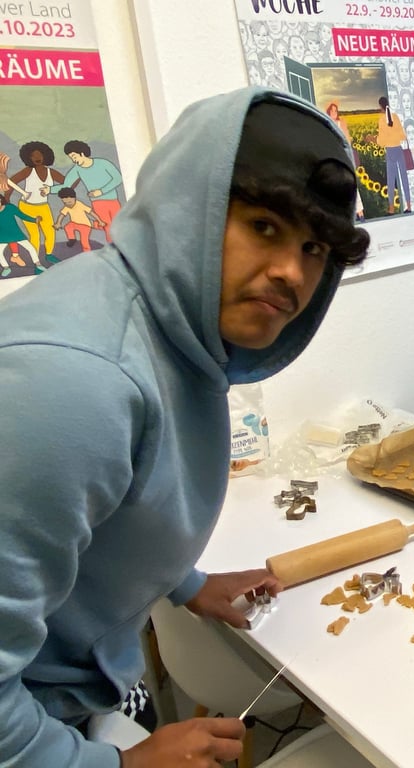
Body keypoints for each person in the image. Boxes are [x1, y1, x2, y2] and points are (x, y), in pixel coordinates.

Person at [0, 87, 370, 767]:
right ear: (189, 211)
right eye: (264, 225)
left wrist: (187, 581)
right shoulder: (77, 382)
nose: (291, 271)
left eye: (314, 247)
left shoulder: (170, 340)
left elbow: (109, 510)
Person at [9, 140, 65, 265]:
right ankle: (36, 262)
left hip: (43, 207)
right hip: (26, 207)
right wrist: (6, 201)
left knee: (50, 232)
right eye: (33, 155)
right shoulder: (28, 171)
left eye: (39, 154)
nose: (37, 157)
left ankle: (49, 254)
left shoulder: (51, 172)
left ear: (45, 156)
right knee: (35, 236)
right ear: (28, 158)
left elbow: (67, 183)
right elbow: (11, 182)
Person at [62, 140, 125, 242]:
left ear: (82, 153)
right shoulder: (77, 169)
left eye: (74, 156)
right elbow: (65, 185)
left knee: (119, 226)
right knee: (109, 229)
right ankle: (116, 251)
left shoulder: (103, 163)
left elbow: (117, 178)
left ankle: (91, 223)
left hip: (114, 200)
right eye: (71, 158)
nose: (74, 160)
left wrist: (101, 191)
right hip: (98, 203)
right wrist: (49, 189)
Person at [375, 96, 412, 214]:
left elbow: (381, 141)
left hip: (390, 151)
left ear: (381, 106)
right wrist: (394, 136)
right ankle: (409, 206)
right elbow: (403, 135)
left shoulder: (381, 120)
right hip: (399, 150)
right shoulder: (395, 117)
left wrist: (375, 139)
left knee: (391, 181)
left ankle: (391, 208)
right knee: (404, 178)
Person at [55, 187, 105, 253]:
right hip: (74, 223)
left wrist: (100, 221)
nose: (68, 204)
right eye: (65, 203)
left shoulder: (80, 204)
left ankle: (87, 252)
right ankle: (72, 239)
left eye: (69, 202)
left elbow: (91, 212)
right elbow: (61, 215)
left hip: (85, 225)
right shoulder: (67, 207)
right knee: (67, 227)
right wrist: (58, 223)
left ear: (74, 198)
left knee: (84, 240)